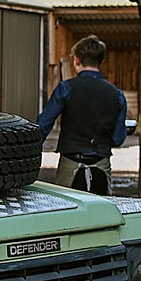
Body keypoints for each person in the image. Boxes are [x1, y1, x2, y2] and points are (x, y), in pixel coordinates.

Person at [36, 35, 127, 195]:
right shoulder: (117, 95)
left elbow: (43, 125)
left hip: (70, 163)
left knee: (65, 212)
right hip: (101, 164)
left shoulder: (65, 88)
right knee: (104, 214)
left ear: (76, 60)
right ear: (101, 62)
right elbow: (118, 139)